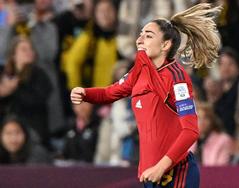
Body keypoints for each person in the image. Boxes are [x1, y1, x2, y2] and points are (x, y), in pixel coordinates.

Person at [71, 3, 221, 188]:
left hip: (176, 172)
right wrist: (86, 93)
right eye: (140, 34)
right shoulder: (139, 72)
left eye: (148, 35)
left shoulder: (176, 79)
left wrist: (161, 167)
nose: (139, 40)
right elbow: (110, 92)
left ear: (166, 44)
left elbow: (190, 131)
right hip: (150, 173)